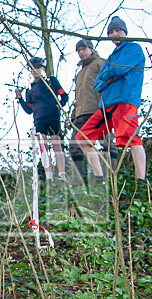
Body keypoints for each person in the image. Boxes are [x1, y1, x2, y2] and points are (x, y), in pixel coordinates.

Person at [75, 16, 147, 185]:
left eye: (118, 30)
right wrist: (109, 77)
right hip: (106, 105)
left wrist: (109, 76)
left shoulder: (134, 49)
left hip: (125, 100)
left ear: (125, 31)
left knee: (130, 138)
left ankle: (141, 181)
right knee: (82, 138)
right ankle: (100, 177)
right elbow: (98, 84)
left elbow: (117, 70)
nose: (115, 33)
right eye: (111, 31)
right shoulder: (112, 56)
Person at [69, 38, 118, 182]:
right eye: (78, 51)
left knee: (106, 142)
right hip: (80, 114)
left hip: (98, 110)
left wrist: (107, 107)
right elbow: (78, 96)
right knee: (75, 145)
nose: (81, 53)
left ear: (91, 49)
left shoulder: (100, 63)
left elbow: (109, 85)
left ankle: (110, 177)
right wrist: (74, 114)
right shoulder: (79, 73)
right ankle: (80, 180)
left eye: (83, 49)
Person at [15, 56, 69, 180]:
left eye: (37, 68)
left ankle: (62, 174)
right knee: (43, 147)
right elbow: (29, 109)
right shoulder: (30, 88)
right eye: (32, 69)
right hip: (39, 119)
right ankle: (48, 175)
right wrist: (20, 98)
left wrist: (60, 105)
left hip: (53, 116)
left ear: (43, 68)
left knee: (56, 145)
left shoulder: (51, 81)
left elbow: (64, 95)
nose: (35, 71)